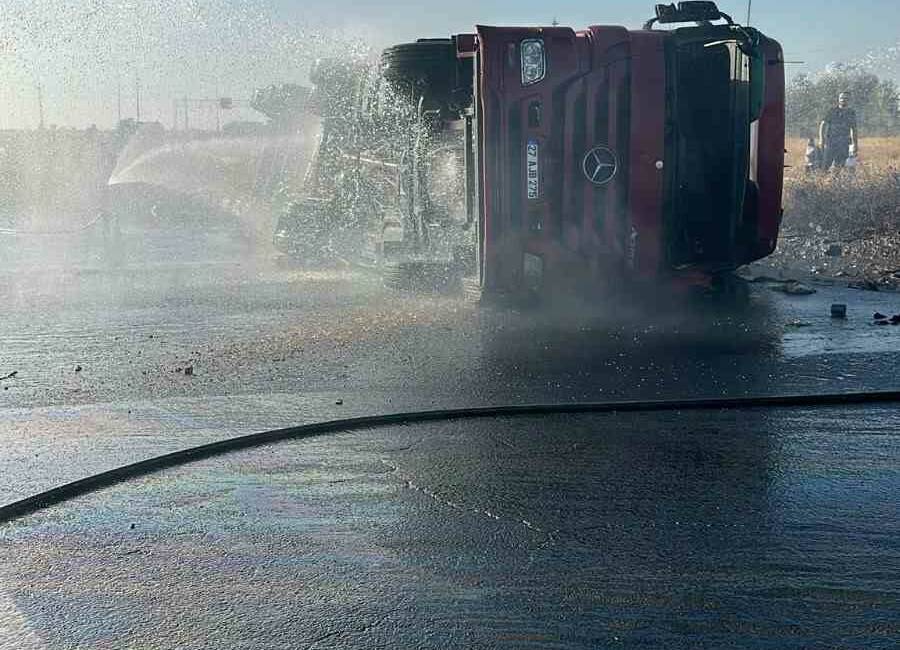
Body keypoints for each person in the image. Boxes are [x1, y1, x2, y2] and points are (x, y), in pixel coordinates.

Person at [818, 91, 858, 170]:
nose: (843, 100)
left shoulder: (851, 113)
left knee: (840, 165)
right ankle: (821, 181)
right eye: (841, 98)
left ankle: (835, 181)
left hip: (844, 142)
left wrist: (855, 144)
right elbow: (823, 125)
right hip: (831, 142)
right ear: (838, 99)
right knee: (825, 164)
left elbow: (853, 129)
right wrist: (821, 140)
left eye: (845, 98)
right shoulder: (832, 111)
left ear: (849, 100)